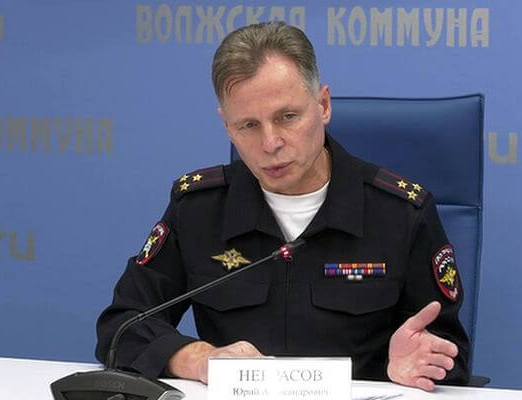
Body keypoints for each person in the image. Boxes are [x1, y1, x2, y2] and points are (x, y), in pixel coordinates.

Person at [96, 21, 469, 391]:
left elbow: (452, 357)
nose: (270, 143)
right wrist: (199, 358)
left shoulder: (401, 213)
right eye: (248, 125)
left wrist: (409, 364)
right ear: (226, 126)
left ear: (323, 105)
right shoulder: (197, 209)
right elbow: (121, 327)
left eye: (287, 117)